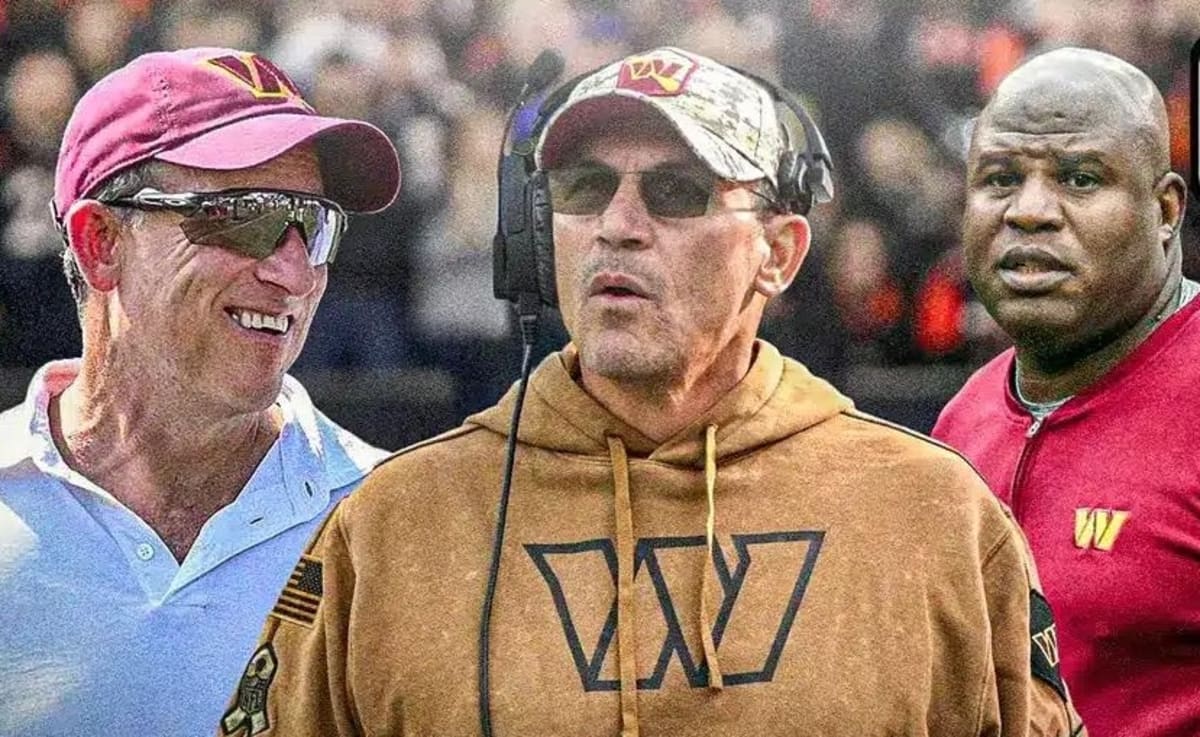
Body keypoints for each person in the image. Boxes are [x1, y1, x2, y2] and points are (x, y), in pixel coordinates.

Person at [223, 47, 1083, 736]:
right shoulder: (392, 525)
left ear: (780, 253)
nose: (618, 224)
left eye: (677, 192)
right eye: (585, 188)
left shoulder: (933, 515)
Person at [0, 47, 401, 736]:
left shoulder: (390, 520)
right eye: (245, 216)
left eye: (315, 224)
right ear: (101, 243)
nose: (295, 273)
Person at [931, 46, 1195, 737]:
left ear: (1165, 210)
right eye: (1000, 178)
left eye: (1080, 178)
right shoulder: (961, 423)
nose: (1029, 211)